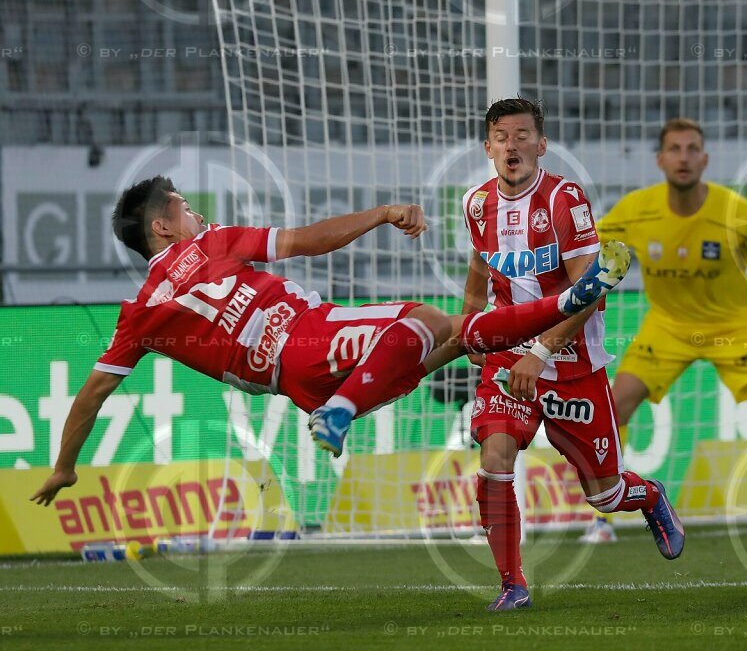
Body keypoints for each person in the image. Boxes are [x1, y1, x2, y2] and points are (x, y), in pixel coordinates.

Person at [31, 175, 632, 507]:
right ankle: (567, 303)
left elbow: (89, 397)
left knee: (449, 343)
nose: (195, 214)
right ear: (163, 225)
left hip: (288, 382)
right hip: (310, 335)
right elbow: (309, 240)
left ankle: (339, 406)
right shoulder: (210, 244)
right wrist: (381, 213)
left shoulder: (137, 315)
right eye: (185, 208)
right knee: (427, 321)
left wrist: (63, 468)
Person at [460, 97, 686, 613]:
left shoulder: (565, 200)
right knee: (495, 459)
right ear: (487, 147)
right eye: (502, 137)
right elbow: (479, 273)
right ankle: (512, 584)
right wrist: (473, 331)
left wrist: (540, 350)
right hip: (508, 359)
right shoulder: (475, 204)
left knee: (604, 496)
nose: (511, 146)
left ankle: (648, 496)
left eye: (522, 136)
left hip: (569, 363)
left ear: (541, 145)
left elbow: (594, 286)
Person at [580, 118, 747, 545]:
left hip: (735, 327)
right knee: (612, 409)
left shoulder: (738, 213)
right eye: (674, 149)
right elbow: (585, 250)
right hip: (667, 325)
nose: (683, 158)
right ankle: (603, 515)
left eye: (691, 149)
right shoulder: (635, 209)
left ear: (704, 159)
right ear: (660, 159)